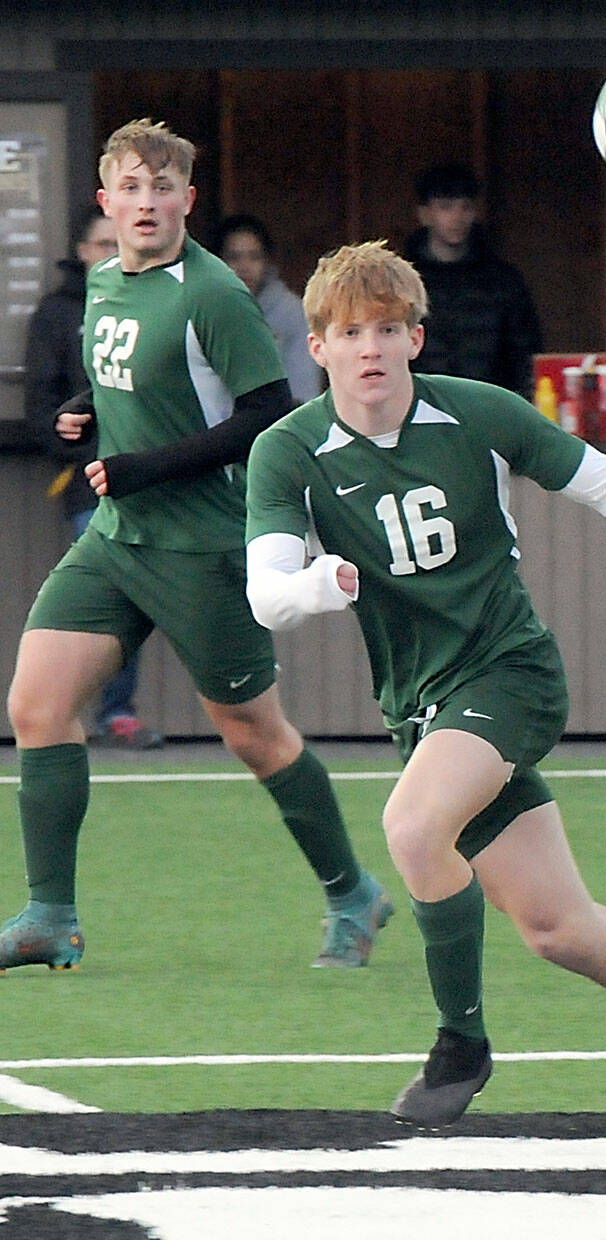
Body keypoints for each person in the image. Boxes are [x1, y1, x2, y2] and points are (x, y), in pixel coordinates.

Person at [243, 241, 606, 1128]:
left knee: (411, 823)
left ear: (416, 338)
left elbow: (596, 478)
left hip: (510, 673)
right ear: (316, 347)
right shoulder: (287, 453)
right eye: (349, 331)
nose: (370, 347)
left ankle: (459, 1046)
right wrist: (317, 586)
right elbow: (266, 591)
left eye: (387, 329)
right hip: (422, 704)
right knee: (562, 930)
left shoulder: (474, 414)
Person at [0, 119, 392, 974]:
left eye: (162, 188)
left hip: (205, 545)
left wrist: (144, 464)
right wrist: (85, 411)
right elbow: (134, 383)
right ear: (107, 202)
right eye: (130, 190)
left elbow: (264, 415)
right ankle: (48, 915)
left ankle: (353, 892)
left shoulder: (213, 292)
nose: (146, 203)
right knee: (35, 706)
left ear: (187, 200)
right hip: (117, 539)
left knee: (254, 733)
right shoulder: (106, 282)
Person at [22, 202, 163, 750]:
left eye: (117, 244)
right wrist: (67, 446)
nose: (111, 254)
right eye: (102, 245)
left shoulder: (146, 301)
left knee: (141, 594)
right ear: (82, 252)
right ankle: (74, 709)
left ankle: (116, 711)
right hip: (86, 479)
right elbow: (43, 396)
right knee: (100, 594)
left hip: (148, 474)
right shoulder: (58, 314)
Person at [403, 163, 542, 396]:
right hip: (422, 405)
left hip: (491, 405)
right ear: (425, 214)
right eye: (446, 207)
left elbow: (525, 357)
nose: (457, 217)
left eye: (465, 207)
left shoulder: (503, 281)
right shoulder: (402, 283)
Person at [212, 213, 323, 404]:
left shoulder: (292, 312)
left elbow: (304, 390)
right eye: (234, 257)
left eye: (254, 257)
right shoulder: (206, 309)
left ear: (267, 261)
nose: (244, 266)